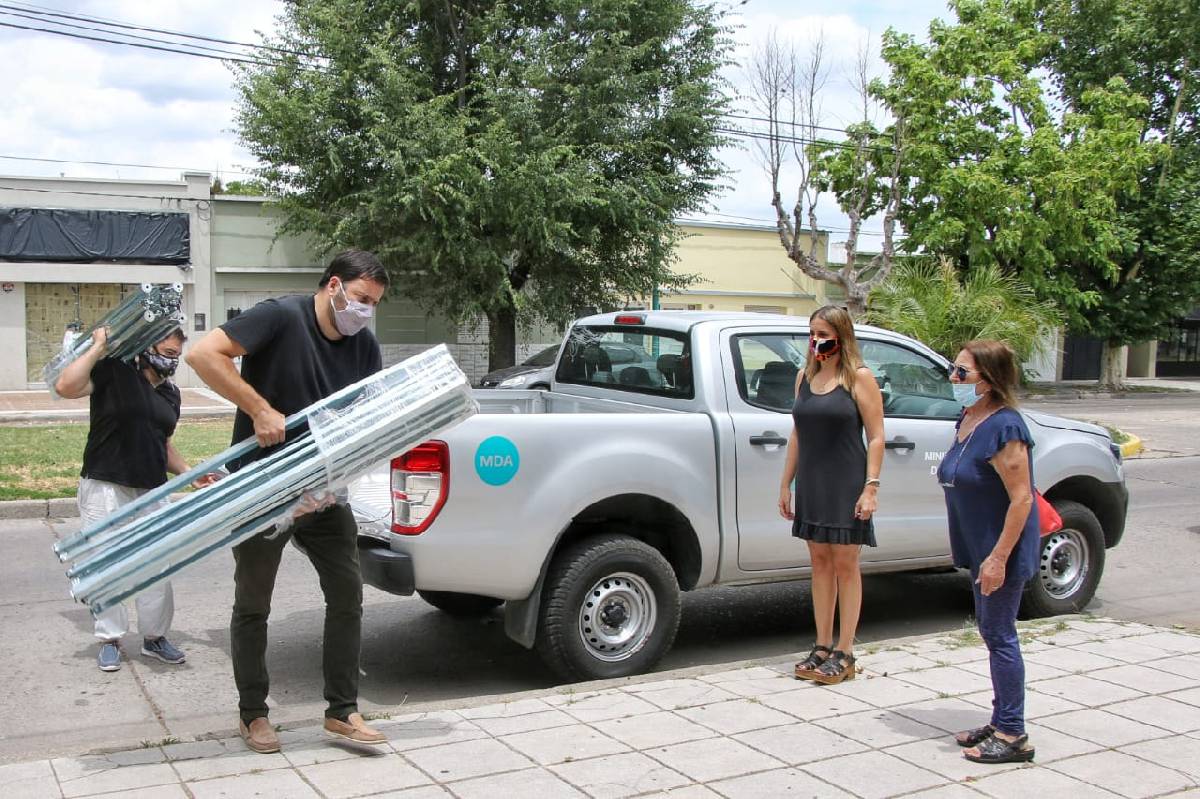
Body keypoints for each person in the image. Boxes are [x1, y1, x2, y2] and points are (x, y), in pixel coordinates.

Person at [186, 249, 389, 755]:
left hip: (322, 491)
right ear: (334, 286)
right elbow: (202, 355)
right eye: (361, 299)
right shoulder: (280, 316)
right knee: (254, 603)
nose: (365, 312)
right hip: (261, 487)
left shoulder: (364, 345)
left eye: (374, 304)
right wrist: (258, 408)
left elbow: (363, 419)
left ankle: (342, 711)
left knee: (347, 595)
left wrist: (343, 468)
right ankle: (253, 714)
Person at [55, 326, 192, 672]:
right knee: (106, 563)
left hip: (151, 489)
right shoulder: (114, 372)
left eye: (176, 355)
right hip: (105, 484)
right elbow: (66, 386)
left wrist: (190, 472)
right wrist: (98, 346)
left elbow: (162, 444)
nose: (169, 360)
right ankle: (110, 639)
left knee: (157, 564)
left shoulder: (171, 394)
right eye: (166, 352)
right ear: (146, 348)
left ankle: (155, 638)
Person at [938, 339, 1039, 764]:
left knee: (1000, 636)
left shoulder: (1005, 427)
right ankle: (1000, 721)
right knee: (991, 633)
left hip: (1002, 550)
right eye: (953, 369)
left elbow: (1022, 499)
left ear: (990, 380)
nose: (954, 378)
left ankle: (1013, 734)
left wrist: (998, 558)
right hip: (980, 546)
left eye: (963, 373)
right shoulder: (969, 417)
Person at [778, 305, 884, 685]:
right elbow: (797, 434)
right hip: (812, 480)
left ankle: (845, 650)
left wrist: (870, 487)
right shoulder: (804, 377)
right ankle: (821, 645)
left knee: (845, 564)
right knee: (819, 561)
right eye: (812, 332)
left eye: (823, 332)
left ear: (841, 335)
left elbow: (876, 436)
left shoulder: (858, 378)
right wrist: (786, 483)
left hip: (847, 480)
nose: (816, 339)